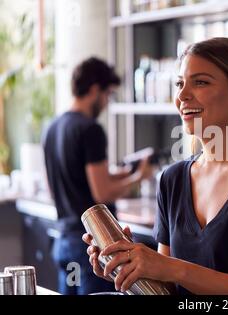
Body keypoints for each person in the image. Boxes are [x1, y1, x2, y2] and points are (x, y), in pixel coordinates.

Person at [84, 38, 228, 295]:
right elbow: (167, 291)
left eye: (200, 82)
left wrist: (172, 267)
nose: (182, 96)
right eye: (180, 83)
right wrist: (130, 266)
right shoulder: (173, 179)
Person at [43, 57, 153, 295]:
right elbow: (101, 193)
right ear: (95, 90)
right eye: (107, 94)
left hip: (63, 240)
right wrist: (140, 177)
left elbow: (64, 183)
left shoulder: (53, 127)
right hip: (91, 246)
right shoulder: (90, 129)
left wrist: (120, 174)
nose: (106, 102)